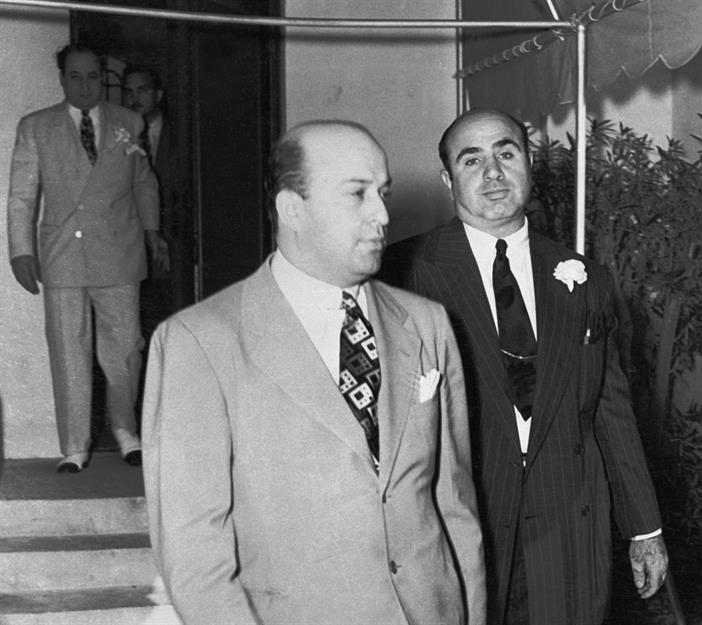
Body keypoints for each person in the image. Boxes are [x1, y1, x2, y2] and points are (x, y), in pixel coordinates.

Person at [142, 120, 486, 624]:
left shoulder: (427, 323)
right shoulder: (199, 342)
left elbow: (455, 508)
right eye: (357, 193)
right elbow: (194, 558)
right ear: (292, 209)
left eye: (383, 193)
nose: (382, 214)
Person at [383, 108, 669, 625]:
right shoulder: (400, 275)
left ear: (529, 166)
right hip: (459, 529)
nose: (493, 172)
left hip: (567, 529)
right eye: (472, 160)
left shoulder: (586, 280)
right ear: (448, 180)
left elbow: (611, 411)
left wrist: (644, 529)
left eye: (506, 153)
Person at [6, 43, 167, 472]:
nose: (84, 86)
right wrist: (21, 251)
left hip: (119, 250)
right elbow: (22, 197)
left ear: (103, 78)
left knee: (126, 347)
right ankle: (75, 446)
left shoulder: (129, 122)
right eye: (75, 77)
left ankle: (126, 432)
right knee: (68, 349)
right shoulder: (36, 127)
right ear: (62, 79)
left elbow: (144, 182)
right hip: (63, 253)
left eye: (93, 76)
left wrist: (151, 230)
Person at [121, 65, 173, 335]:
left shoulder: (180, 134)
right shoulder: (118, 136)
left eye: (142, 90)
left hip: (171, 247)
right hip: (130, 249)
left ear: (158, 94)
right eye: (128, 91)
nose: (134, 98)